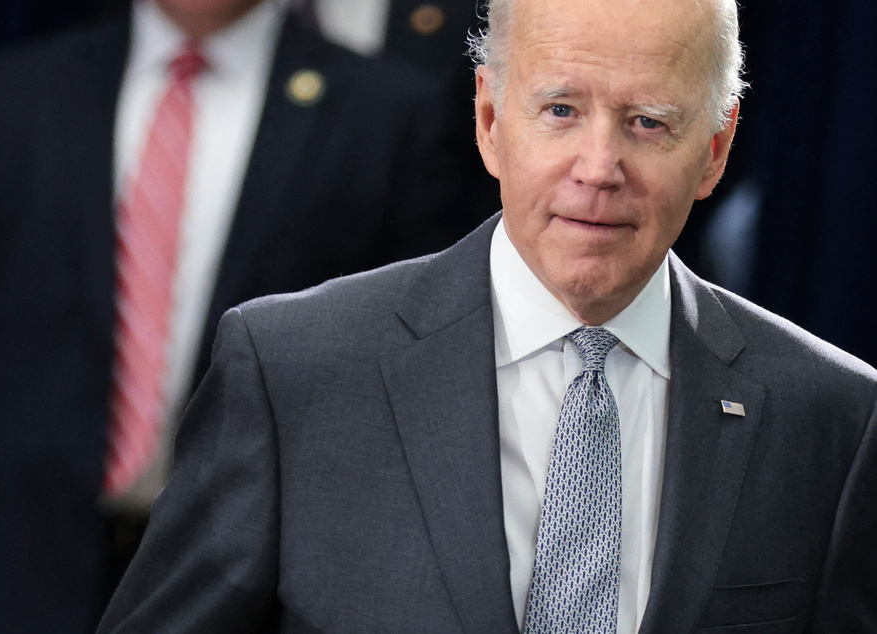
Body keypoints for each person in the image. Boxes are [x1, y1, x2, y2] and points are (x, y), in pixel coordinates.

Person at [98, 0, 877, 630]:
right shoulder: (291, 369)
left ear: (714, 149)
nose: (598, 168)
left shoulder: (833, 415)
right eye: (561, 109)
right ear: (489, 121)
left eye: (647, 121)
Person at [0, 0, 474, 631]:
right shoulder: (7, 94)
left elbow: (409, 381)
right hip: (11, 567)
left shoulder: (388, 113)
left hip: (250, 584)